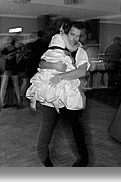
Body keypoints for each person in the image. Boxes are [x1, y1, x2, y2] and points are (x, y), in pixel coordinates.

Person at [37, 21, 90, 167]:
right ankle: (44, 156)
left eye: (78, 36)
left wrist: (61, 76)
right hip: (51, 95)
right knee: (47, 126)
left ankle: (83, 158)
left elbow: (81, 71)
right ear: (65, 34)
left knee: (76, 128)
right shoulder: (56, 47)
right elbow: (41, 63)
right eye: (72, 34)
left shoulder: (80, 51)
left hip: (69, 97)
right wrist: (54, 66)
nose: (75, 38)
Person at [26, 22, 83, 113]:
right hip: (57, 55)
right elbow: (71, 48)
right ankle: (54, 99)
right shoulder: (63, 36)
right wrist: (78, 45)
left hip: (51, 54)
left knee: (47, 76)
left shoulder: (54, 37)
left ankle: (41, 96)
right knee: (60, 79)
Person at [0, 36, 21, 110]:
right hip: (14, 69)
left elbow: (0, 56)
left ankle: (2, 103)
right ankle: (19, 102)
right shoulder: (16, 50)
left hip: (7, 69)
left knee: (4, 86)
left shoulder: (5, 49)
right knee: (16, 86)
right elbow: (17, 59)